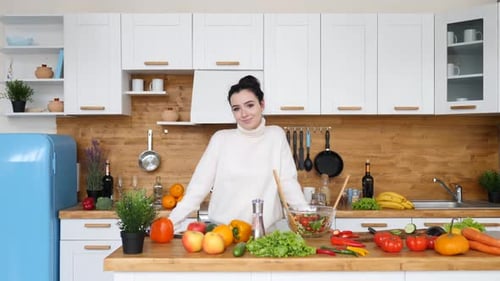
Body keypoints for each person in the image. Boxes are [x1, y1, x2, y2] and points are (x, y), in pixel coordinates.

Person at [168, 75, 308, 230]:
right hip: (224, 234)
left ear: (262, 105)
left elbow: (288, 183)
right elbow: (199, 187)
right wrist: (170, 222)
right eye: (236, 108)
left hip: (265, 234)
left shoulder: (276, 136)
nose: (244, 113)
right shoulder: (220, 139)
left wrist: (307, 217)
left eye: (249, 105)